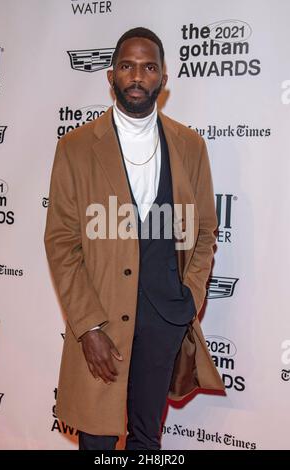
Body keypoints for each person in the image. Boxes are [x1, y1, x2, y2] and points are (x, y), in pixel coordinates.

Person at [44, 27, 225, 451]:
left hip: (164, 317)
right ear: (111, 76)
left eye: (149, 67)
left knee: (148, 436)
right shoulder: (75, 148)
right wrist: (87, 326)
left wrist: (190, 297)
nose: (138, 76)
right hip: (101, 318)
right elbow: (61, 242)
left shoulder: (190, 146)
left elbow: (204, 231)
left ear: (163, 79)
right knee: (97, 438)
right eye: (127, 66)